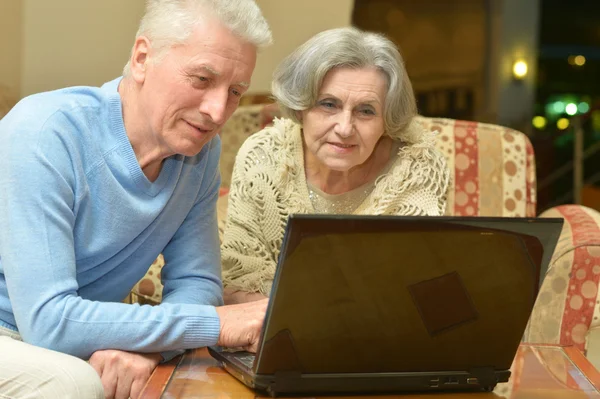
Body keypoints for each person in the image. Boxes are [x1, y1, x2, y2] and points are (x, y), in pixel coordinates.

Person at [0, 1, 272, 398]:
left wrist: (147, 351)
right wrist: (216, 324)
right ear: (142, 58)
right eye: (201, 79)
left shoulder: (199, 151)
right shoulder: (44, 132)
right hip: (16, 331)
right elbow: (49, 321)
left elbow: (196, 283)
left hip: (73, 341)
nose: (217, 112)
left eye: (234, 91)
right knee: (73, 384)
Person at [221, 27, 450, 304]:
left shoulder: (418, 169)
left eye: (366, 110)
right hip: (266, 333)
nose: (344, 128)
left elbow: (407, 290)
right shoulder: (263, 156)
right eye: (328, 104)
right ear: (300, 106)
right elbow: (236, 280)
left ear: (386, 121)